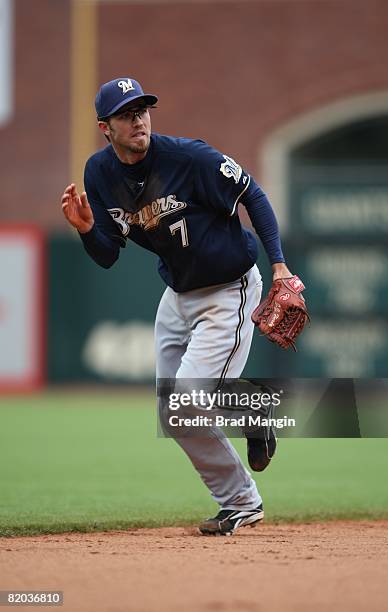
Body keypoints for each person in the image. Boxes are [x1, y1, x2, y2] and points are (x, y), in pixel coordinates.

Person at [61, 77, 293, 536]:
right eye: (127, 113)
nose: (139, 119)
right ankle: (240, 496)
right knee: (173, 412)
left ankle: (250, 430)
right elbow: (107, 255)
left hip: (229, 289)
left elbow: (254, 195)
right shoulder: (100, 174)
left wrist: (281, 266)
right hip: (178, 294)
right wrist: (88, 230)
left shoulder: (189, 157)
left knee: (189, 394)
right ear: (105, 127)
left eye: (143, 109)